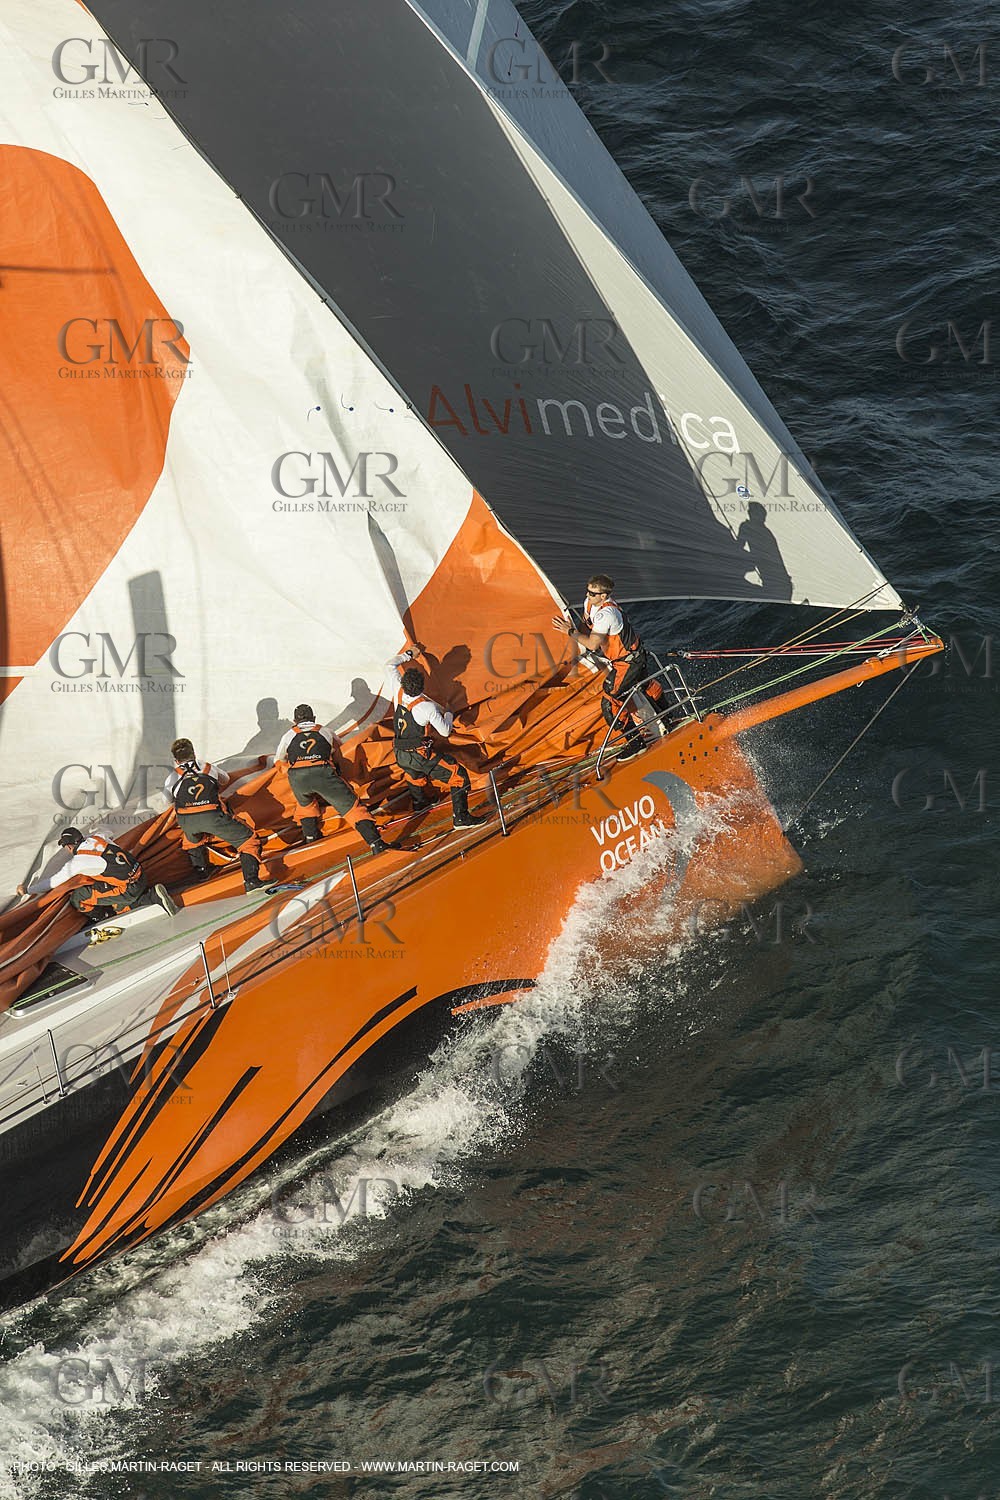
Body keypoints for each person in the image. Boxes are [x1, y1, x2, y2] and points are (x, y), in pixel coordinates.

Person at [551, 574, 665, 759]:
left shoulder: (607, 614)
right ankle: (667, 719)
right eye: (587, 591)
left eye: (592, 594)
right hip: (626, 658)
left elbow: (593, 644)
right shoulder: (589, 603)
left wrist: (569, 631)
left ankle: (636, 743)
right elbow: (586, 626)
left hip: (628, 662)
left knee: (611, 701)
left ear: (603, 596)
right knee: (645, 685)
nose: (588, 595)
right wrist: (577, 635)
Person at [274, 705, 393, 855]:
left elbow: (279, 760)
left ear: (294, 721)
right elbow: (342, 751)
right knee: (352, 808)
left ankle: (311, 842)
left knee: (305, 807)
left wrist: (295, 772)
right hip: (323, 774)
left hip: (298, 779)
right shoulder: (325, 731)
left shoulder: (288, 735)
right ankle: (376, 843)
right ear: (314, 718)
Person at [387, 651, 487, 829]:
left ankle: (420, 803)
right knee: (458, 775)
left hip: (399, 753)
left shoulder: (398, 691)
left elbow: (389, 665)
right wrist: (449, 713)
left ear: (403, 683)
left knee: (413, 774)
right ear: (422, 688)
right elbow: (445, 731)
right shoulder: (426, 708)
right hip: (418, 755)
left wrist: (409, 654)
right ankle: (461, 818)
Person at [164, 738, 267, 892]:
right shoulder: (207, 767)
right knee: (248, 839)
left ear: (175, 760)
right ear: (193, 753)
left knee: (191, 840)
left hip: (187, 821)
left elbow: (167, 801)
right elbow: (225, 780)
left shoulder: (172, 777)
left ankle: (202, 873)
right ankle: (251, 881)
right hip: (212, 816)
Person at [16, 827, 176, 920]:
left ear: (69, 847)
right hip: (140, 875)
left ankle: (105, 917)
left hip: (128, 889)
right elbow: (108, 832)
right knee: (108, 890)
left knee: (79, 897)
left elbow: (53, 881)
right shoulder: (99, 838)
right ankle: (146, 898)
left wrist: (28, 890)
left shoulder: (78, 862)